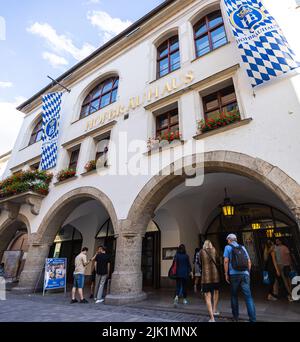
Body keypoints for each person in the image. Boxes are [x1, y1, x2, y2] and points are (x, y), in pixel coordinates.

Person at [224, 234, 256, 322]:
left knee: (234, 296)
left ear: (230, 240)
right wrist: (248, 273)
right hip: (245, 274)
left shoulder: (227, 247)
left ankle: (235, 317)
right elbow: (249, 261)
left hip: (234, 274)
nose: (227, 241)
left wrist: (226, 274)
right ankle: (253, 319)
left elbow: (226, 261)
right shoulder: (243, 247)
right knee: (248, 297)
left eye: (228, 240)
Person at [200, 240, 220, 322]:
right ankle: (215, 310)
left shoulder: (202, 251)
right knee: (216, 292)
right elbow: (218, 260)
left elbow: (200, 262)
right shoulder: (214, 250)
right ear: (211, 244)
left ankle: (212, 318)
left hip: (206, 277)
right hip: (215, 276)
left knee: (207, 297)